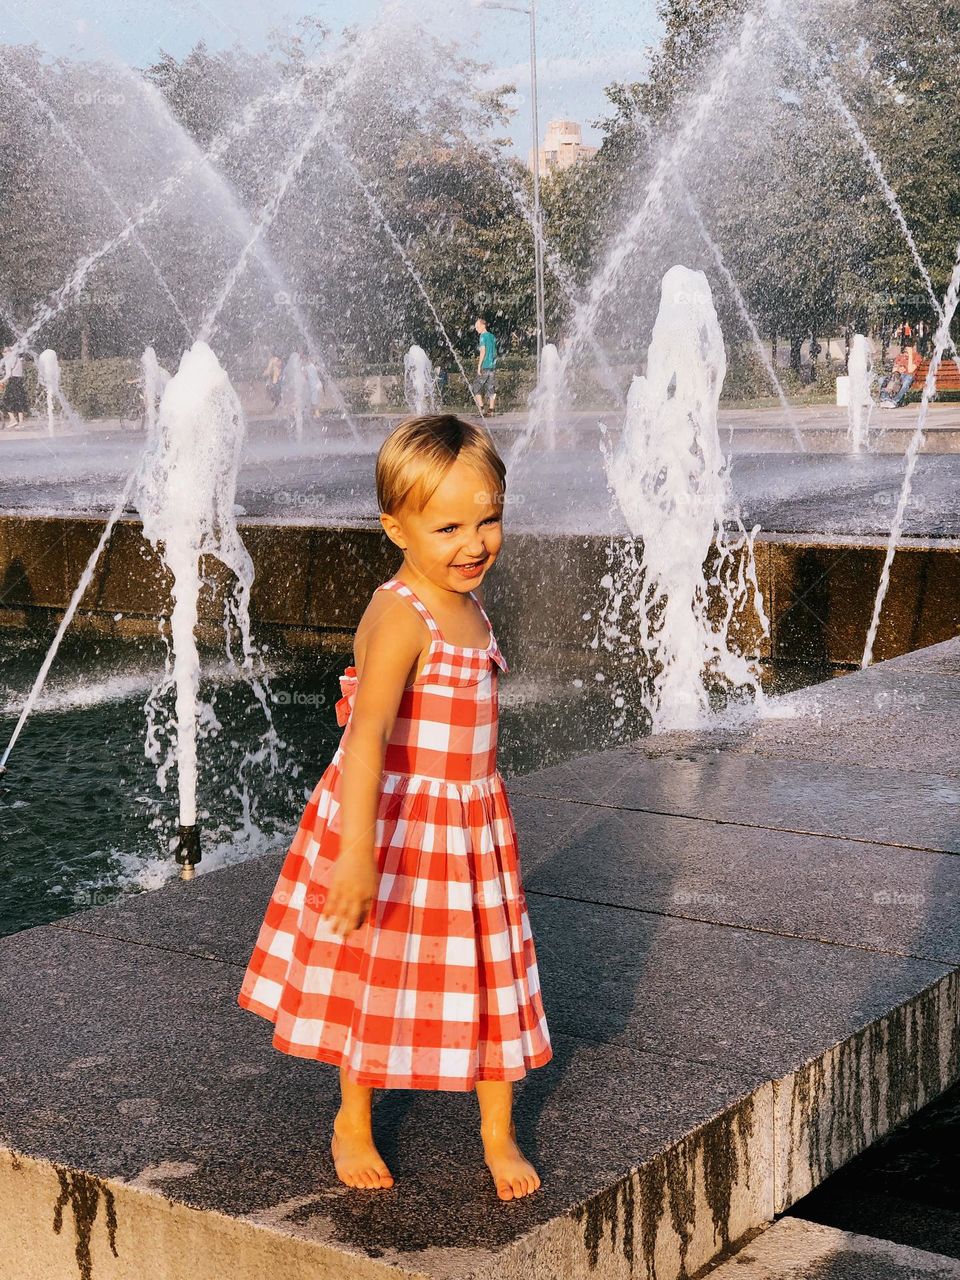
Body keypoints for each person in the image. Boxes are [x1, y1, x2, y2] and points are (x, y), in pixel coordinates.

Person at [237, 414, 552, 1200]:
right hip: (397, 826)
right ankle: (352, 1116)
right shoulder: (402, 616)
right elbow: (369, 733)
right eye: (448, 526)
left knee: (485, 969)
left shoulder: (468, 605)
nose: (474, 542)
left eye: (489, 519)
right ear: (395, 528)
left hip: (469, 826)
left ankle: (497, 1129)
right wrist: (355, 852)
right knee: (375, 973)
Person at [472, 317, 497, 415]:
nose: (476, 329)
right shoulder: (492, 336)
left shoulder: (482, 336)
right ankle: (491, 410)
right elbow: (494, 352)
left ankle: (481, 408)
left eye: (477, 326)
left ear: (483, 326)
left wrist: (479, 366)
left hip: (485, 365)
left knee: (475, 387)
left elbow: (483, 351)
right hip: (492, 366)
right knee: (491, 388)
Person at [2, 346, 28, 427]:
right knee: (19, 401)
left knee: (5, 401)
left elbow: (8, 374)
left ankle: (13, 420)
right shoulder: (18, 359)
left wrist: (1, 381)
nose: (3, 355)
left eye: (3, 352)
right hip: (19, 381)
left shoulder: (8, 360)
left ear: (7, 352)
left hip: (12, 382)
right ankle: (21, 423)